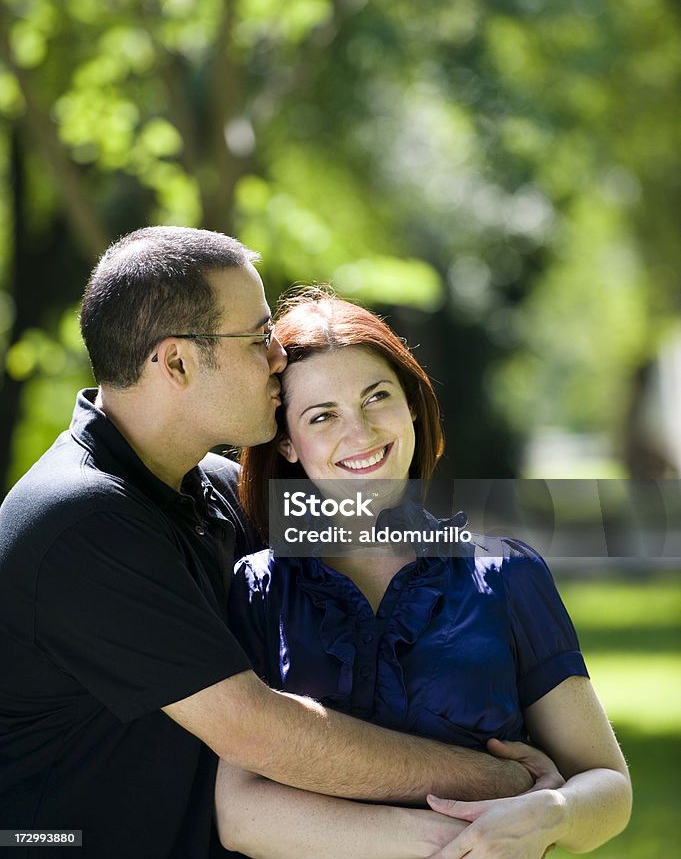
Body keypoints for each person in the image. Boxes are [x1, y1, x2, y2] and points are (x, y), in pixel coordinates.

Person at [0, 227, 556, 859]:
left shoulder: (215, 489)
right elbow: (260, 732)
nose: (278, 359)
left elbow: (387, 552)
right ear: (177, 361)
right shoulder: (80, 522)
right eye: (259, 337)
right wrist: (507, 780)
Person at [219, 288, 632, 859]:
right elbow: (240, 814)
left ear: (411, 404)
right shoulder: (257, 589)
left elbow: (609, 788)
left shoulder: (508, 574)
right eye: (322, 416)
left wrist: (553, 811)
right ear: (287, 442)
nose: (360, 432)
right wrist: (474, 838)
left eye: (376, 397)